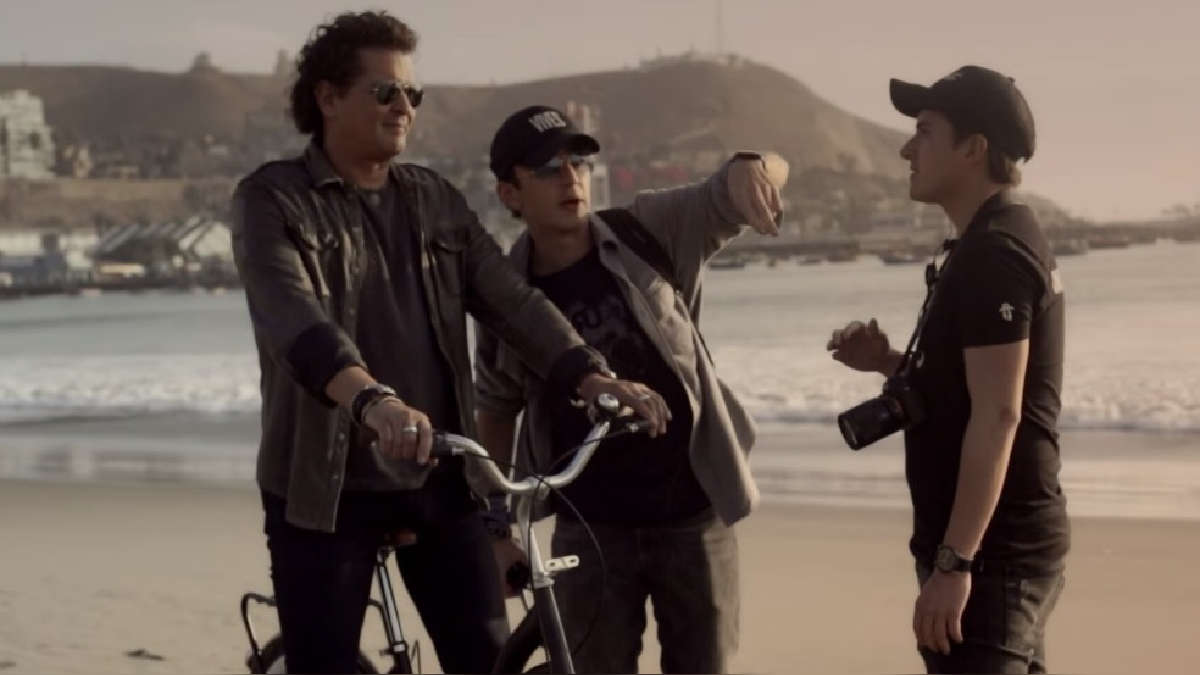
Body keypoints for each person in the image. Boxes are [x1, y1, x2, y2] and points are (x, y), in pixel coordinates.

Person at [230, 13, 668, 673]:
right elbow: (294, 320)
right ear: (328, 97)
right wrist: (373, 402)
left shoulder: (433, 199)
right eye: (384, 91)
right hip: (325, 491)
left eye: (412, 93)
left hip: (440, 478)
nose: (403, 106)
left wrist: (590, 375)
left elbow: (513, 302)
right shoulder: (272, 200)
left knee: (487, 658)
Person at [473, 104, 788, 673]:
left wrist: (753, 166)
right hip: (588, 530)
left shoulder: (647, 229)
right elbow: (494, 412)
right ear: (509, 193)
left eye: (578, 163)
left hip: (693, 516)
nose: (570, 178)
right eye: (547, 168)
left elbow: (751, 181)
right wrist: (497, 531)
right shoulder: (508, 296)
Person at [827, 66, 1069, 674]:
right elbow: (976, 389)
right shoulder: (989, 240)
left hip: (991, 558)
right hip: (1000, 550)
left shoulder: (994, 254)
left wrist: (955, 563)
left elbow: (1000, 413)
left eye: (925, 132)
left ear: (973, 148)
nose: (907, 150)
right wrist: (889, 363)